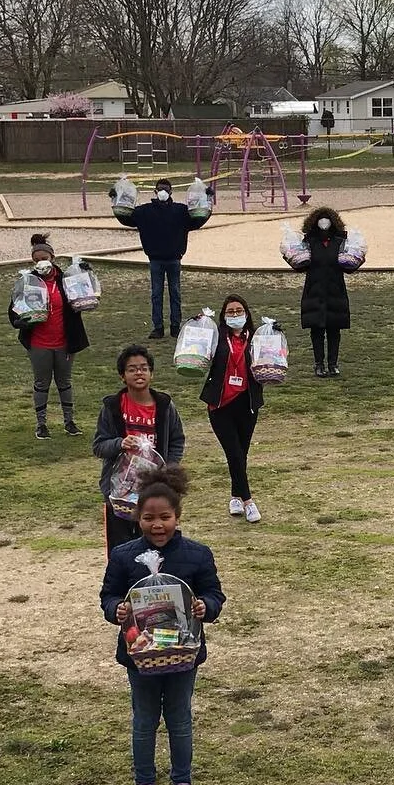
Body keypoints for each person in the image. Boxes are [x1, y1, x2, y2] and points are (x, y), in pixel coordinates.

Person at [100, 466, 225, 785]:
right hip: (140, 656)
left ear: (178, 516)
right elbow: (108, 596)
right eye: (150, 518)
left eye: (165, 518)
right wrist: (117, 609)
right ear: (137, 517)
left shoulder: (197, 555)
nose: (158, 526)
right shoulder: (124, 557)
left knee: (180, 720)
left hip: (184, 655)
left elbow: (214, 593)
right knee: (144, 721)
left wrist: (206, 607)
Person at [93, 343, 186, 551]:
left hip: (155, 488)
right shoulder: (112, 407)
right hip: (119, 493)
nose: (139, 373)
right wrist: (120, 444)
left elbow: (177, 440)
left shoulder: (165, 406)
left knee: (159, 545)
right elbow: (99, 446)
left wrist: (167, 469)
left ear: (151, 373)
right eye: (132, 369)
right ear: (122, 376)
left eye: (144, 368)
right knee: (120, 550)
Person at [8, 233, 88, 439]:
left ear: (52, 257)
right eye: (36, 260)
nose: (40, 262)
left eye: (44, 258)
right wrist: (18, 321)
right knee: (42, 383)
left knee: (65, 382)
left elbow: (82, 296)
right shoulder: (28, 282)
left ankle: (69, 421)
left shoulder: (66, 279)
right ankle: (41, 424)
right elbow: (14, 307)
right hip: (39, 342)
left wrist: (85, 275)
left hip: (64, 341)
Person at [200, 294, 266, 522]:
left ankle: (235, 496)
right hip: (220, 405)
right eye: (230, 312)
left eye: (239, 311)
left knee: (241, 453)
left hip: (247, 404)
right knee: (234, 453)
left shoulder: (257, 337)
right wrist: (199, 326)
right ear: (223, 316)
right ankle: (248, 501)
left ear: (246, 314)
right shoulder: (216, 337)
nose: (235, 315)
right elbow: (197, 351)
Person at [120, 178, 204, 340]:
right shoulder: (145, 211)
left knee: (176, 294)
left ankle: (175, 327)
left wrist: (207, 200)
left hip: (174, 259)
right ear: (155, 191)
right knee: (156, 295)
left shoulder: (181, 211)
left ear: (171, 192)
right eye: (160, 189)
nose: (162, 192)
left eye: (165, 189)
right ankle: (158, 328)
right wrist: (115, 199)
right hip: (155, 259)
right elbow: (126, 218)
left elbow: (198, 220)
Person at [292, 205, 357, 377]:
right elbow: (300, 265)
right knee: (317, 330)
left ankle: (333, 364)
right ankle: (319, 364)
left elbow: (349, 266)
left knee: (334, 329)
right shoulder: (308, 241)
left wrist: (358, 259)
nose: (324, 222)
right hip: (314, 289)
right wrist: (290, 257)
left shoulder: (340, 241)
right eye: (320, 219)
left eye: (327, 219)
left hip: (336, 290)